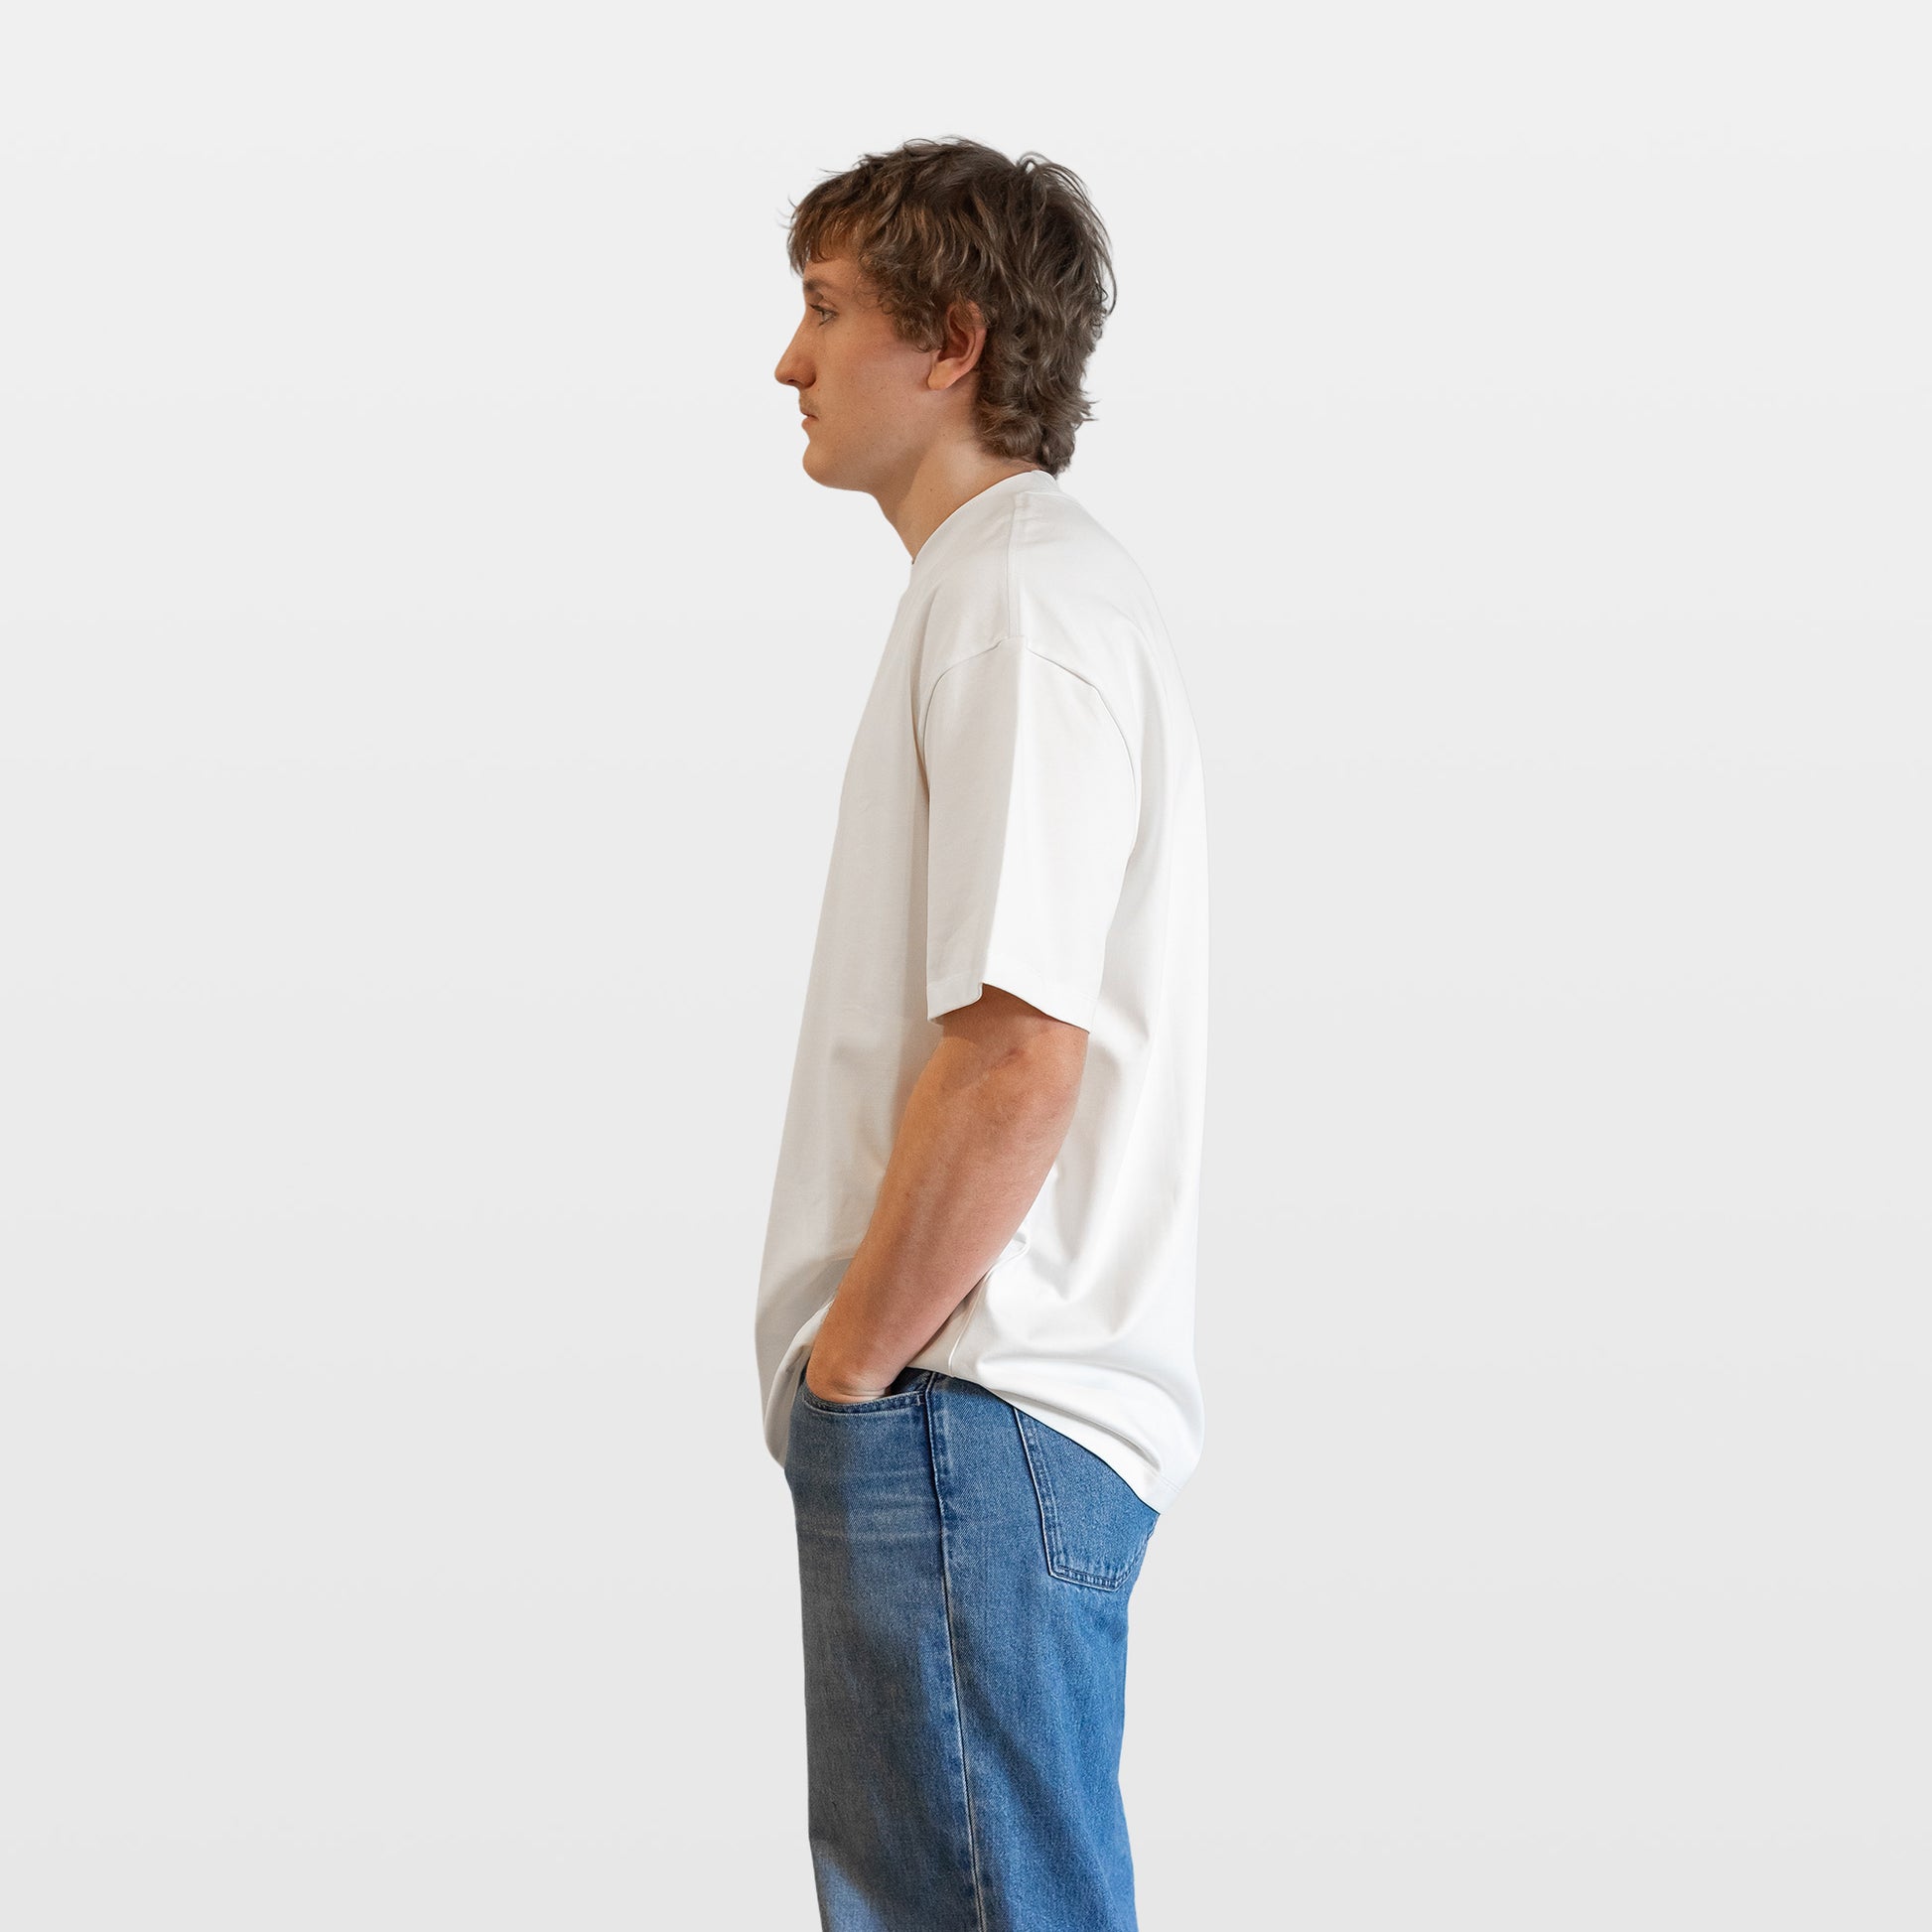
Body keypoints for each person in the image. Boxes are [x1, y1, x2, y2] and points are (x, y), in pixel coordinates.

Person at [755, 135, 1210, 1932]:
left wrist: (852, 1372)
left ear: (947, 341)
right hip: (972, 1412)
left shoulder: (1016, 600)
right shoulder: (1010, 590)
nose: (787, 361)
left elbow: (1020, 1054)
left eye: (824, 309)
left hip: (966, 1402)